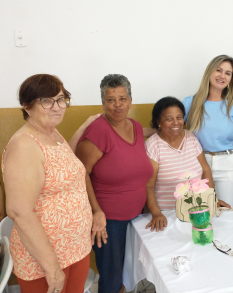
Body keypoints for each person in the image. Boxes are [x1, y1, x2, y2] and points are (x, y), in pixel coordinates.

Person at [2, 74, 99, 293]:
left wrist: (85, 125)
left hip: (75, 248)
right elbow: (19, 211)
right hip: (46, 259)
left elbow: (65, 161)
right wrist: (52, 267)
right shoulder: (25, 145)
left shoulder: (52, 133)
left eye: (61, 99)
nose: (56, 107)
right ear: (27, 106)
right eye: (46, 100)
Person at [76, 74, 153, 293]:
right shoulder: (98, 131)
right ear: (103, 103)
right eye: (111, 100)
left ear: (130, 101)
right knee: (111, 279)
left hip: (137, 216)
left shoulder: (136, 127)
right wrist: (96, 212)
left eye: (122, 98)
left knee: (130, 274)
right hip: (108, 221)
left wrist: (165, 130)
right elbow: (82, 173)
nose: (117, 105)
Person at [144, 97, 230, 231]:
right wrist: (156, 213)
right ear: (158, 122)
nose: (176, 122)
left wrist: (212, 199)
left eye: (179, 117)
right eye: (169, 119)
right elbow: (148, 186)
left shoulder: (191, 138)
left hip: (197, 209)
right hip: (167, 213)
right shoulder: (153, 145)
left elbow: (206, 170)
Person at [182, 55, 233, 210]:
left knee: (228, 215)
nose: (222, 76)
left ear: (231, 79)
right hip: (197, 163)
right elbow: (171, 128)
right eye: (218, 70)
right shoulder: (190, 102)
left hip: (228, 165)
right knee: (200, 213)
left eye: (228, 73)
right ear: (209, 72)